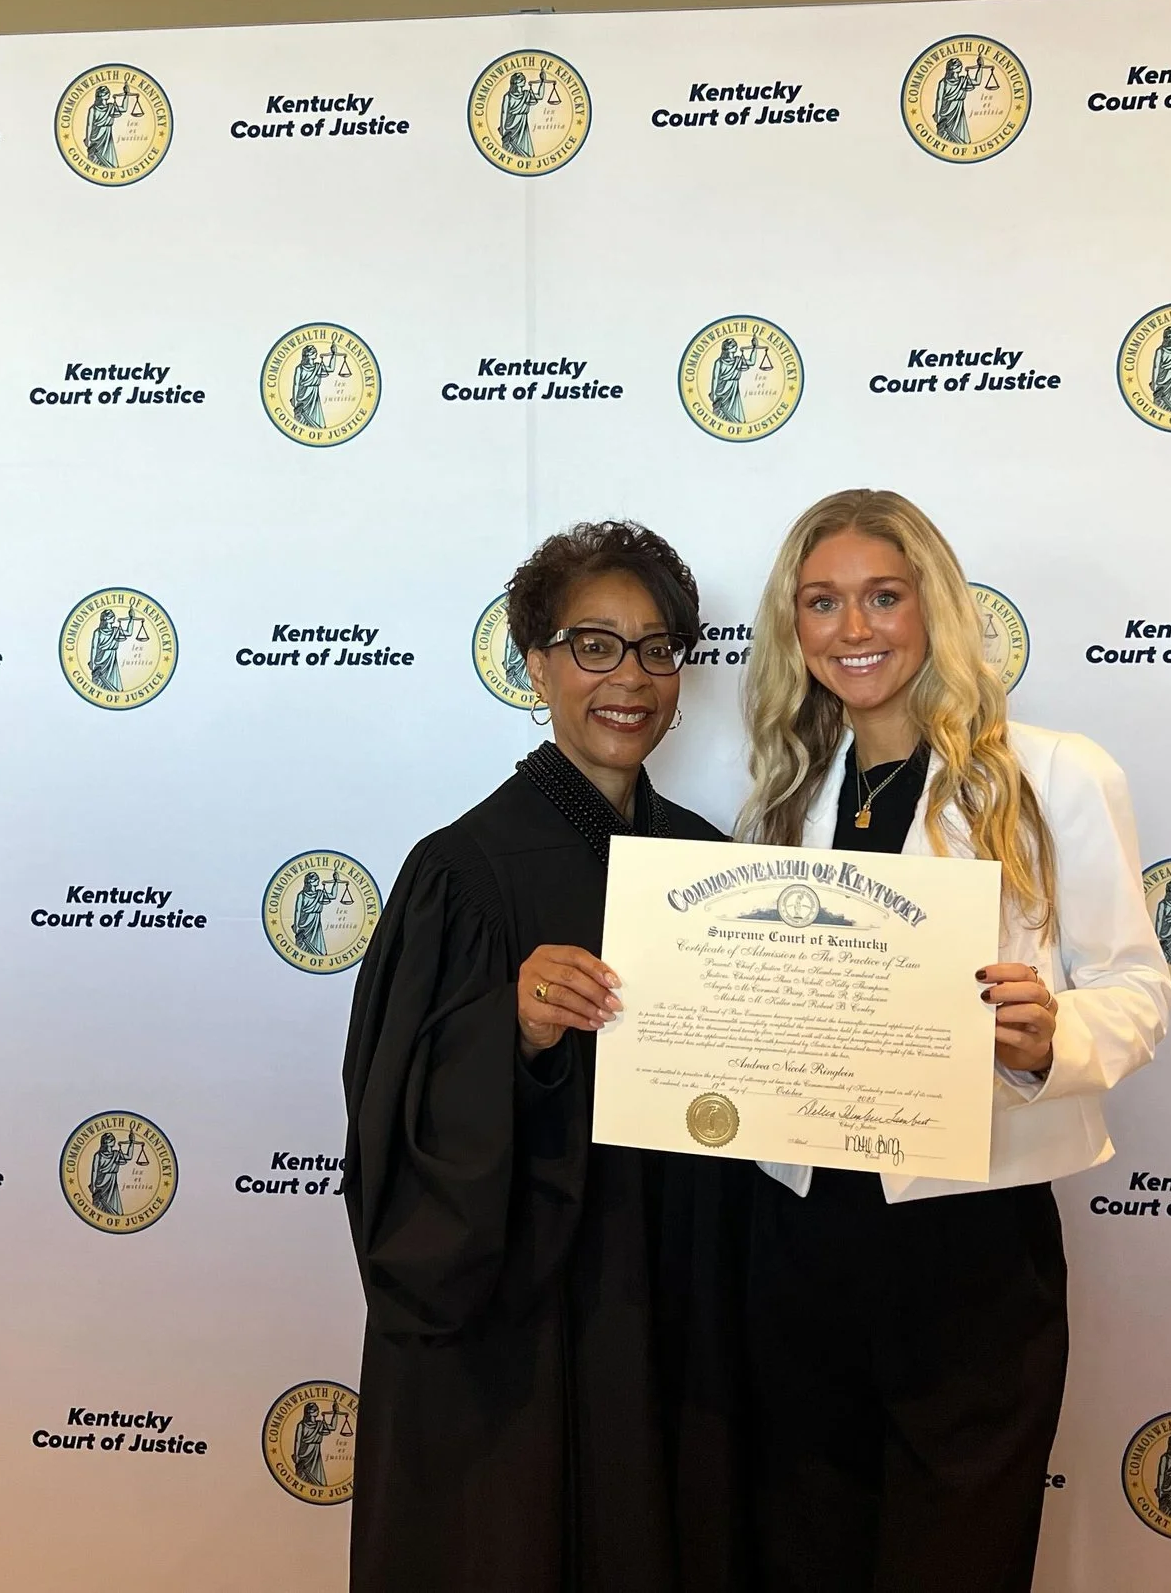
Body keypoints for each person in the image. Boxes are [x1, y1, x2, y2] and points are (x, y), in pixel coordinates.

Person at [735, 489, 1171, 1593]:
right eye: (822, 602)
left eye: (883, 597)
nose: (854, 629)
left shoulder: (1056, 773)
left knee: (957, 1557)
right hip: (794, 1236)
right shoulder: (782, 802)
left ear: (933, 608)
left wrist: (1045, 1038)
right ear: (795, 629)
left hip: (970, 1242)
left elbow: (1134, 989)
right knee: (804, 1548)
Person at [343, 521, 749, 1593]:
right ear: (535, 664)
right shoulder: (462, 872)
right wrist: (509, 1030)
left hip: (668, 1312)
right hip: (517, 1339)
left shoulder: (711, 868)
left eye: (657, 649)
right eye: (594, 646)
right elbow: (392, 1125)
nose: (630, 679)